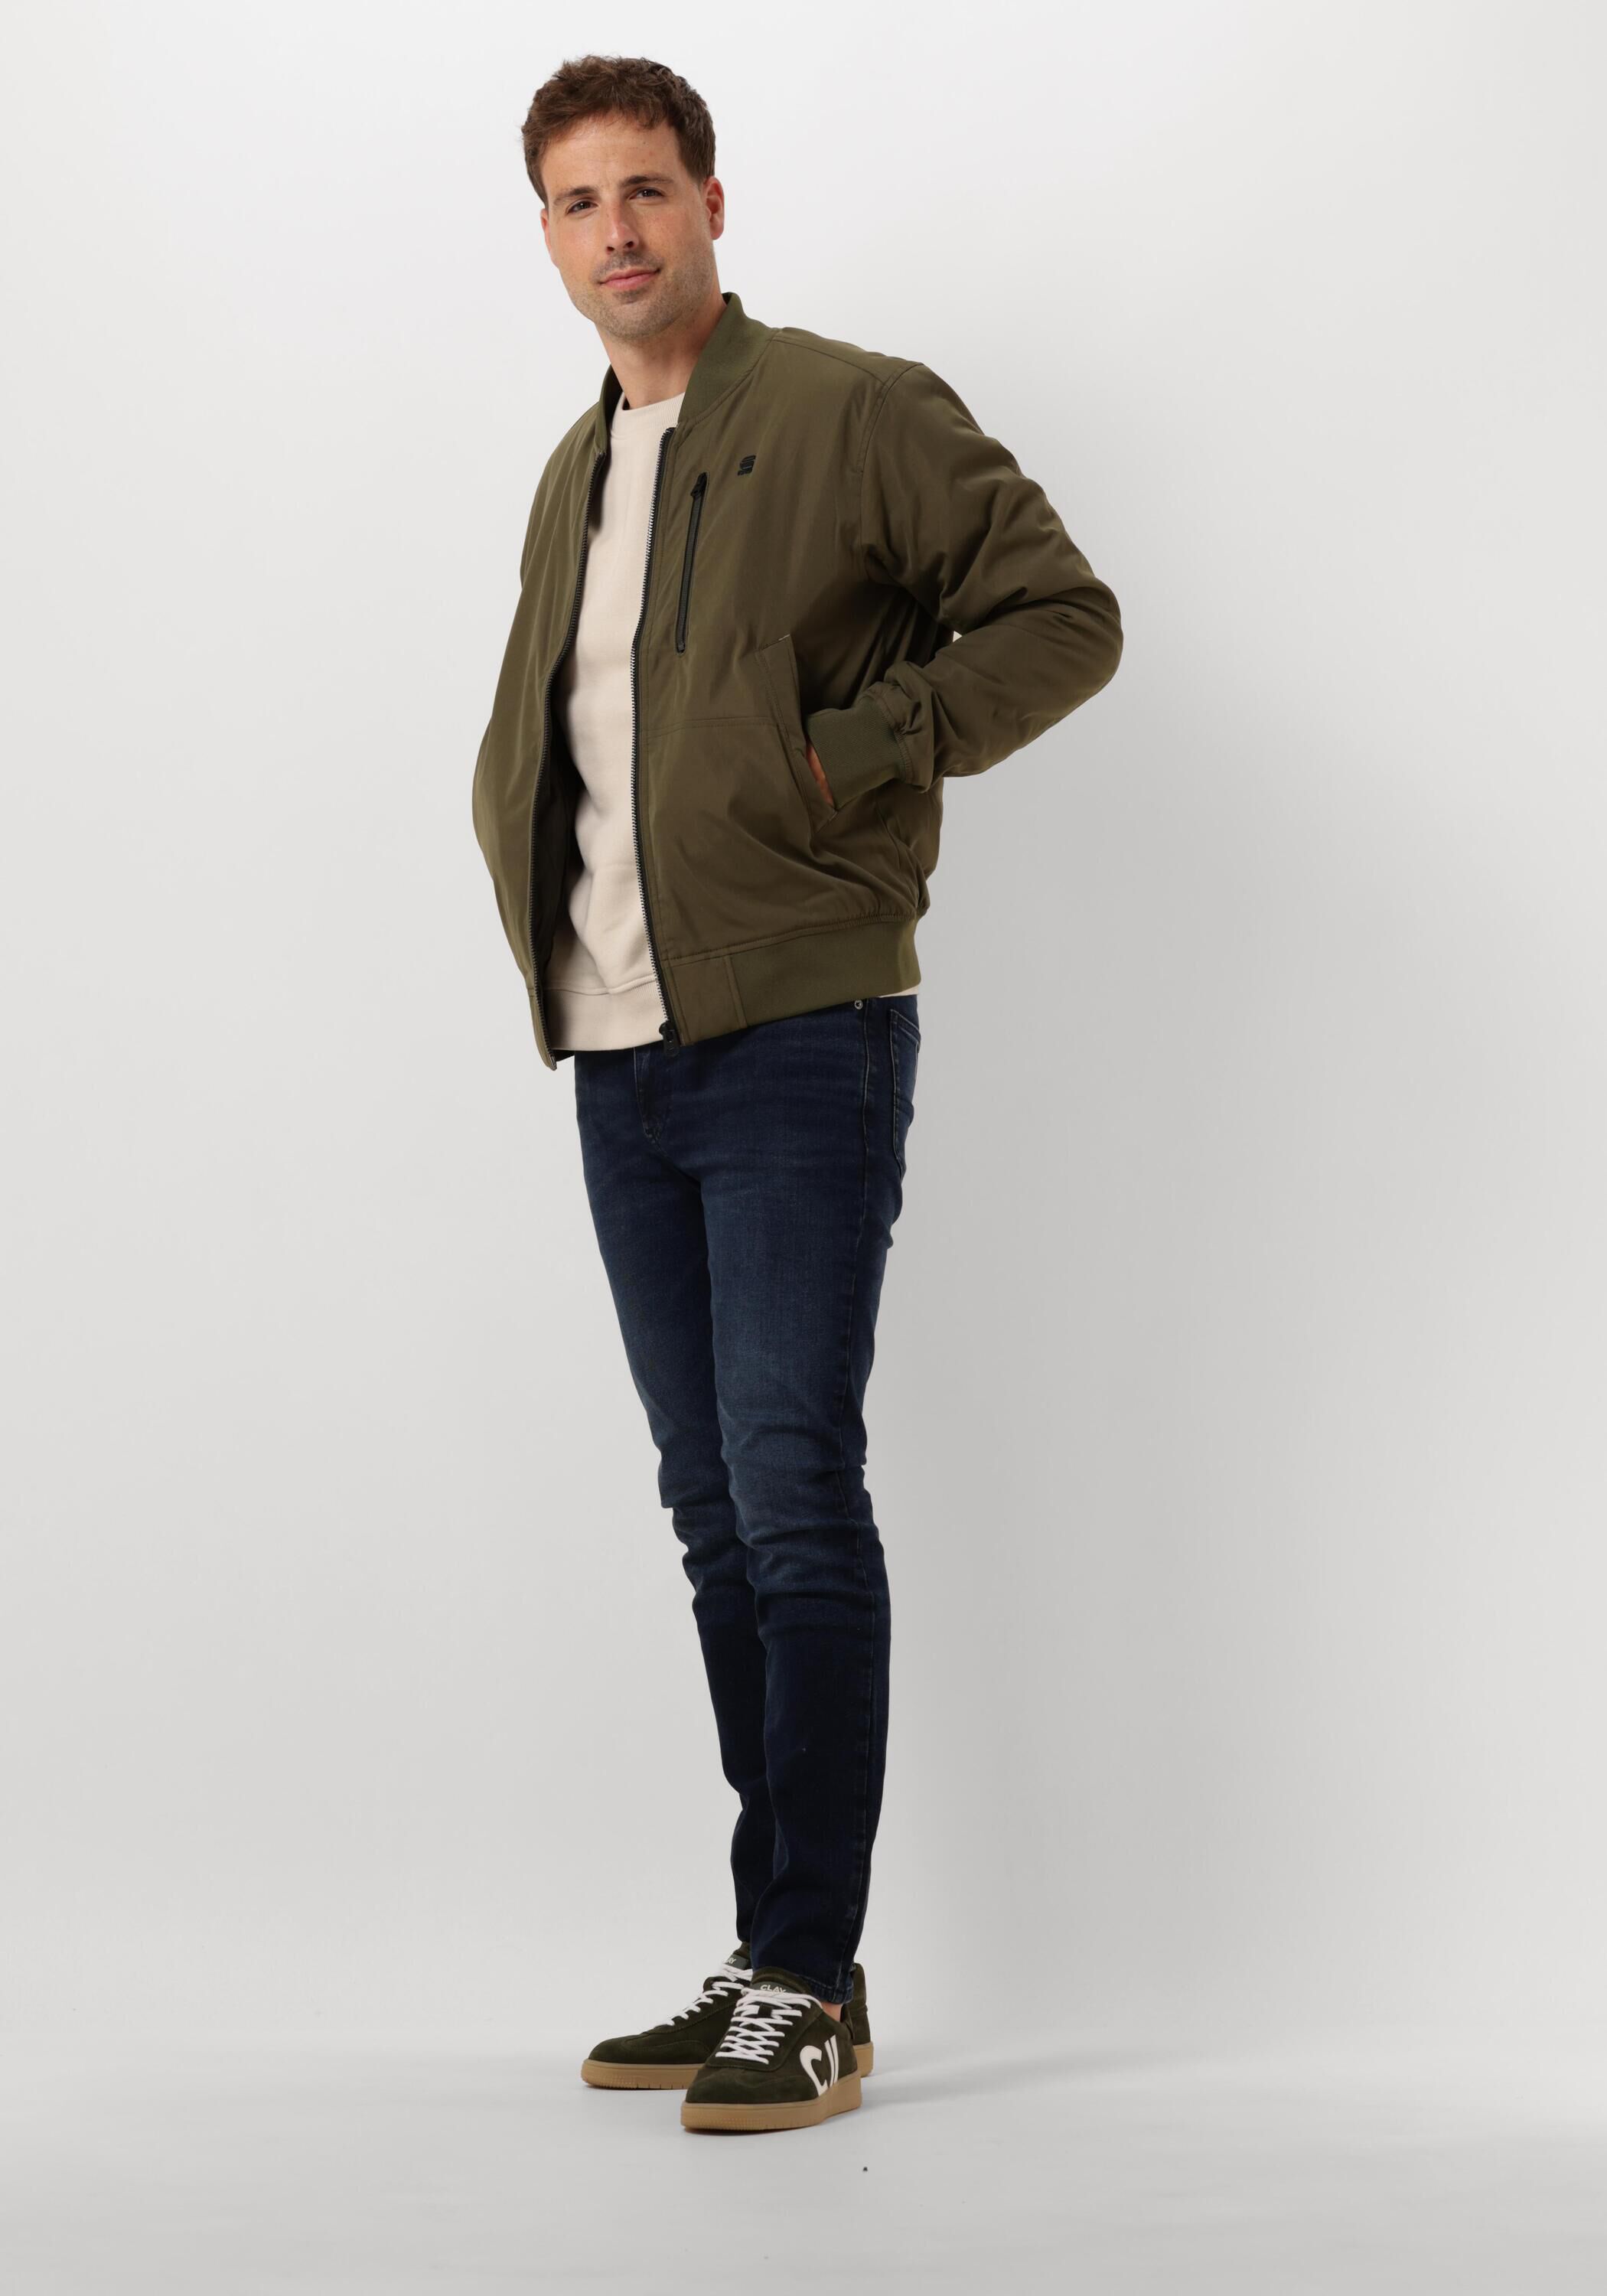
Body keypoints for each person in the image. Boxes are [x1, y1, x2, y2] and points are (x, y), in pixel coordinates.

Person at [471, 53, 1123, 2135]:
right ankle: (771, 1958)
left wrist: (856, 755)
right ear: (547, 235)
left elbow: (1063, 616)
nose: (618, 230)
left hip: (795, 1036)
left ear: (713, 205)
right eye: (579, 202)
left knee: (791, 1486)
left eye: (647, 189)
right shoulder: (574, 472)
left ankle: (808, 1983)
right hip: (617, 1048)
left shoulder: (851, 410)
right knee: (712, 1515)